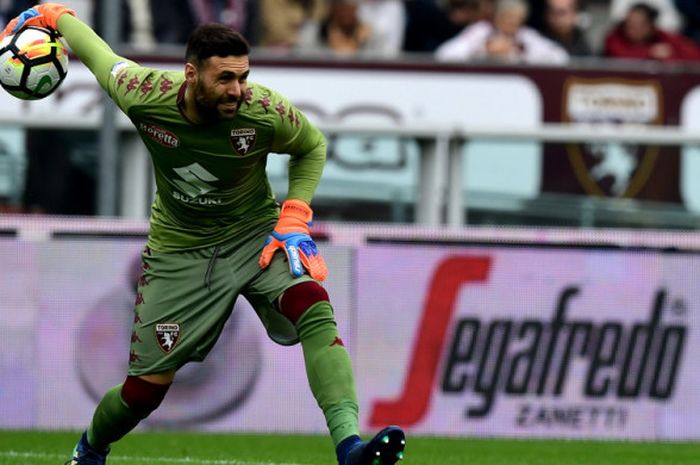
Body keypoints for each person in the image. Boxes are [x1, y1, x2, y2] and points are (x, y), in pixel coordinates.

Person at [0, 4, 407, 465]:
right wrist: (54, 16)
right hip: (181, 253)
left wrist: (294, 216)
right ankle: (91, 448)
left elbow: (311, 146)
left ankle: (350, 446)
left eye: (243, 77)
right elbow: (97, 54)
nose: (237, 90)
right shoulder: (143, 94)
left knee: (313, 306)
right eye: (225, 80)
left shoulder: (263, 111)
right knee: (143, 393)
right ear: (191, 75)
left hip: (255, 235)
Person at [435, 0, 569, 64]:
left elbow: (561, 57)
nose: (510, 23)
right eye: (507, 17)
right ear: (497, 17)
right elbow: (443, 54)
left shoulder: (527, 37)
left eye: (515, 19)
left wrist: (520, 54)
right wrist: (485, 51)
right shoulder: (480, 32)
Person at [603, 1, 700, 62]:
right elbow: (620, 56)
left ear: (650, 27)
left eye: (638, 25)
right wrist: (650, 53)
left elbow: (695, 56)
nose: (631, 29)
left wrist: (671, 56)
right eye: (628, 24)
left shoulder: (662, 37)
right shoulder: (615, 37)